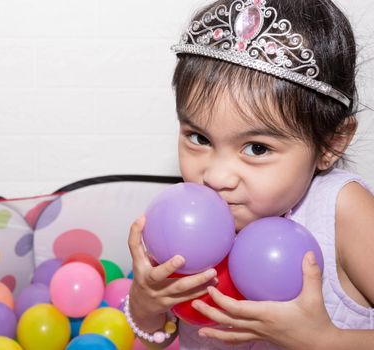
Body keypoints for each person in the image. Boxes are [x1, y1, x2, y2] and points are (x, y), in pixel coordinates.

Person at [125, 0, 374, 348]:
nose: (215, 176)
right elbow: (156, 339)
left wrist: (324, 340)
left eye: (257, 148)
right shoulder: (183, 222)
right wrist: (145, 302)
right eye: (199, 138)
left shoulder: (342, 211)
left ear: (332, 144)